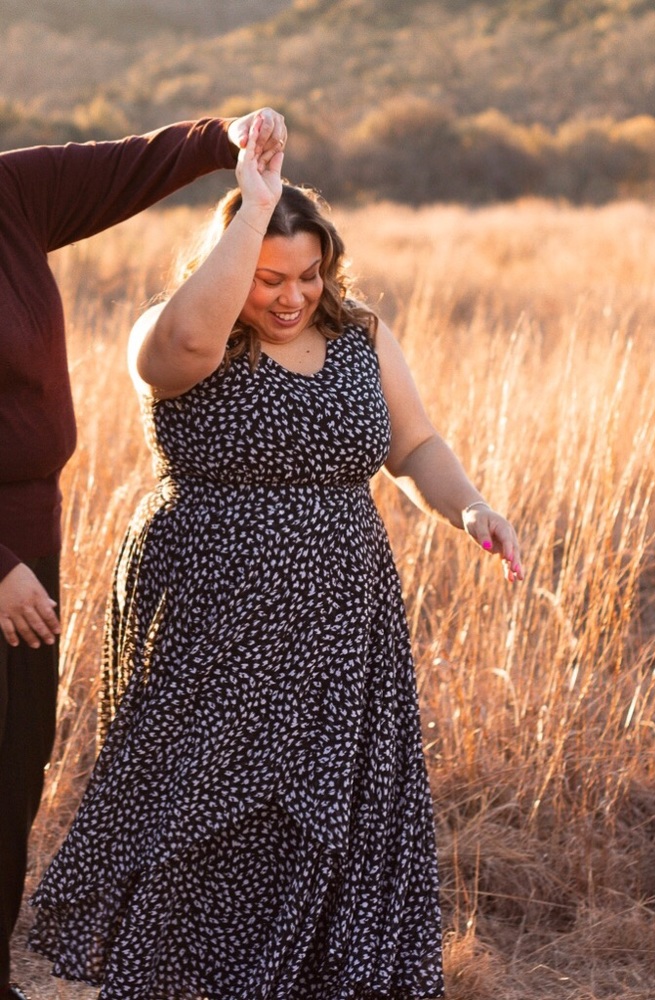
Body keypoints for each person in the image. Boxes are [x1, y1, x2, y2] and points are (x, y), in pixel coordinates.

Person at [27, 116, 523, 998]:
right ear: (231, 256)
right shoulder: (178, 331)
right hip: (212, 615)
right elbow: (181, 351)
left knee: (327, 817)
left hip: (343, 618)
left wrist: (472, 507)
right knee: (206, 810)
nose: (290, 297)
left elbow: (413, 448)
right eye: (266, 278)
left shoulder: (361, 337)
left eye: (307, 275)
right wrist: (253, 208)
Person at [0, 105, 288, 1000]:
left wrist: (226, 137)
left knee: (14, 767)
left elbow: (126, 166)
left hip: (30, 543)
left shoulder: (11, 192)